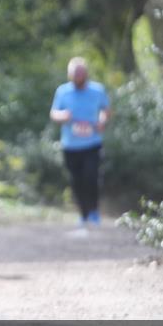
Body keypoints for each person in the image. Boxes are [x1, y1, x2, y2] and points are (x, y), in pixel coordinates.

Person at [49, 57, 110, 226]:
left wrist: (102, 121)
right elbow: (54, 113)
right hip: (70, 145)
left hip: (92, 143)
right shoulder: (62, 91)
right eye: (75, 75)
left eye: (81, 74)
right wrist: (63, 116)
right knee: (76, 181)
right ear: (70, 75)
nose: (78, 77)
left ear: (86, 74)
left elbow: (105, 110)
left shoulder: (98, 90)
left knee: (91, 177)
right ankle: (83, 214)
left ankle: (94, 210)